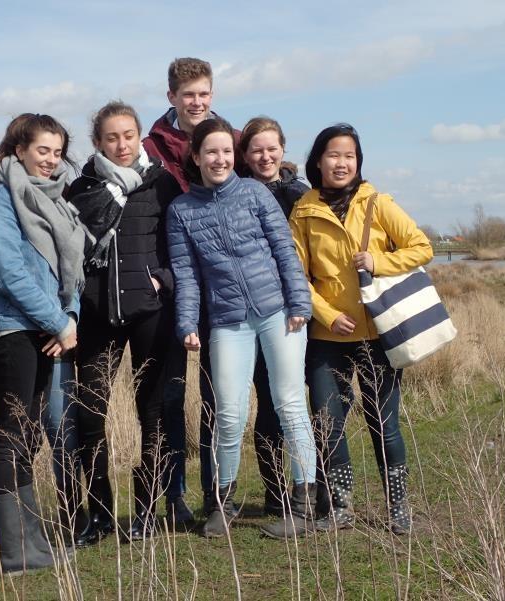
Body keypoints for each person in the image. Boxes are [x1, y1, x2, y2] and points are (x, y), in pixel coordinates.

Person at [166, 117, 318, 539]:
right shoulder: (182, 211)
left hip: (278, 313)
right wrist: (187, 323)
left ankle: (303, 504)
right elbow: (187, 273)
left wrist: (299, 302)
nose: (220, 159)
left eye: (226, 152)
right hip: (228, 323)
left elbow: (284, 250)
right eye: (211, 152)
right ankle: (223, 501)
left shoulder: (254, 193)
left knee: (290, 405)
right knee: (229, 415)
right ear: (195, 157)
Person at [289, 124, 433, 535]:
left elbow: (422, 247)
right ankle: (339, 506)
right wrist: (326, 314)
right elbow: (297, 278)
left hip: (377, 335)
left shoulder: (378, 203)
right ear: (318, 161)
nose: (341, 163)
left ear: (358, 161)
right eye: (334, 155)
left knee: (384, 423)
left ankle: (398, 504)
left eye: (349, 155)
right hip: (327, 337)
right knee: (328, 423)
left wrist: (378, 263)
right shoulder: (304, 210)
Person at [67, 101, 185, 543]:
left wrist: (166, 280)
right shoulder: (81, 187)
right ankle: (98, 514)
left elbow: (180, 241)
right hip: (98, 315)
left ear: (140, 138)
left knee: (151, 413)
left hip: (149, 315)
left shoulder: (161, 185)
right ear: (98, 141)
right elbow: (70, 250)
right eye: (112, 137)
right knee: (90, 413)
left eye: (128, 135)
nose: (121, 145)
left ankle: (147, 512)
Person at [0, 113, 87, 574]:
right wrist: (58, 322)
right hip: (9, 328)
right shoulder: (1, 200)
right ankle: (15, 549)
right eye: (43, 150)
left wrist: (70, 317)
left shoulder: (56, 202)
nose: (51, 159)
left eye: (58, 152)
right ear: (18, 149)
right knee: (12, 432)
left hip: (47, 328)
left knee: (27, 435)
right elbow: (8, 272)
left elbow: (69, 270)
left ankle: (31, 544)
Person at [142, 56, 241, 518]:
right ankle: (174, 494)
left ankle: (216, 494)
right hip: (172, 287)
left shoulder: (230, 141)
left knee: (218, 394)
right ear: (171, 98)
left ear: (212, 95)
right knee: (170, 394)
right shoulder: (150, 148)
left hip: (221, 289)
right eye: (188, 95)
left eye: (203, 93)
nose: (196, 102)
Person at [237, 116, 310, 515]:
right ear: (244, 156)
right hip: (258, 313)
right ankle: (274, 491)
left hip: (298, 310)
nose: (265, 156)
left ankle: (311, 488)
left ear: (282, 149)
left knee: (297, 401)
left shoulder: (301, 195)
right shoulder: (236, 194)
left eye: (271, 148)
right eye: (256, 150)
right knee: (267, 402)